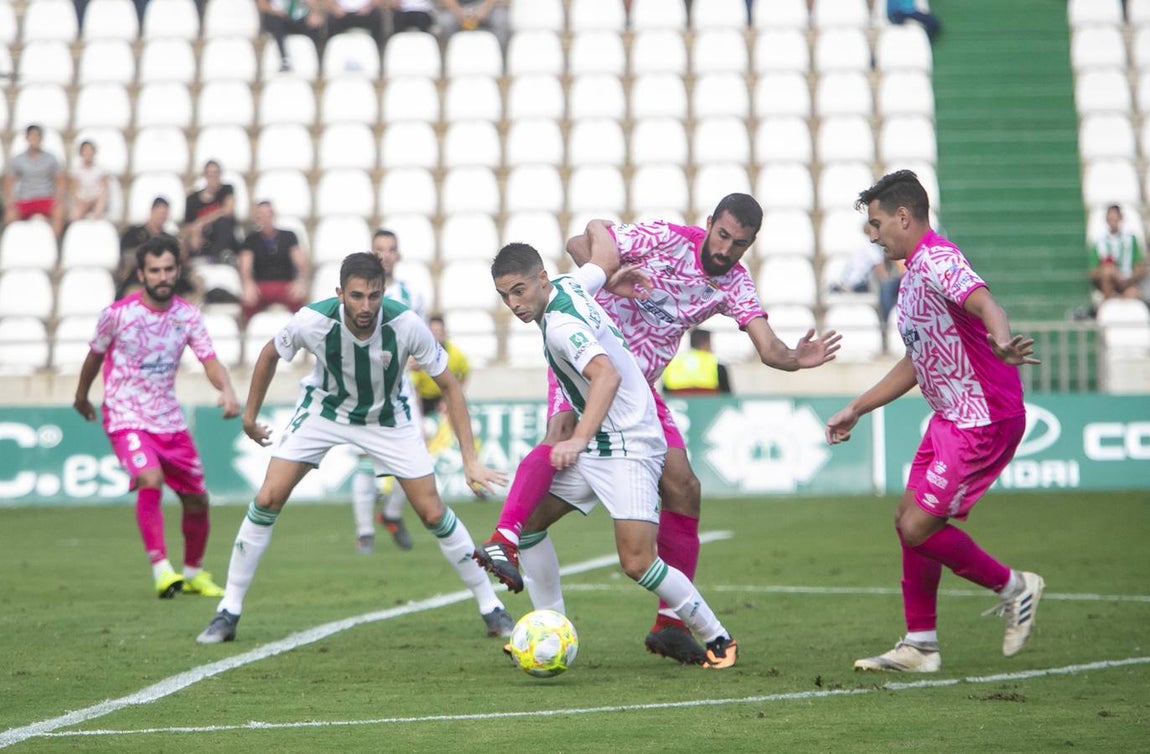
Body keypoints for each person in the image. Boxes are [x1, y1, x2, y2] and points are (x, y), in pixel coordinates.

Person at [475, 193, 842, 665]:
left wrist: (796, 358)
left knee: (678, 495)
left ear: (750, 246)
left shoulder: (732, 284)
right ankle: (528, 581)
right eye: (723, 235)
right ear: (709, 224)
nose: (728, 249)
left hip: (629, 398)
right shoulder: (662, 240)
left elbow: (770, 348)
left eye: (740, 244)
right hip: (588, 375)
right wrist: (609, 275)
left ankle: (680, 626)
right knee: (556, 441)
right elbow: (586, 236)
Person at [196, 252, 513, 644]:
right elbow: (268, 355)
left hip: (387, 417)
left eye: (374, 296)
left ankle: (491, 607)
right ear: (340, 293)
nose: (366, 306)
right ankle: (228, 610)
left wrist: (470, 461)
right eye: (357, 296)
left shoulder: (405, 324)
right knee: (268, 497)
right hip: (324, 411)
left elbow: (449, 384)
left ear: (383, 292)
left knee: (432, 512)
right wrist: (249, 415)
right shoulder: (313, 321)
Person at [824, 169, 1044, 673]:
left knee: (921, 525)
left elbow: (985, 300)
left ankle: (1016, 587)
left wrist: (1002, 339)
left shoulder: (939, 259)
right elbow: (914, 362)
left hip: (983, 417)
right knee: (907, 521)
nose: (873, 235)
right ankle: (921, 644)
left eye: (877, 223)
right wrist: (856, 407)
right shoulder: (911, 278)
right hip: (951, 417)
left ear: (905, 216)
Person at [490, 241, 738, 669]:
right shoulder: (569, 285)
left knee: (638, 561)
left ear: (541, 280)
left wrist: (579, 438)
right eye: (504, 296)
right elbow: (599, 267)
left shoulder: (561, 326)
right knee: (528, 527)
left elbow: (604, 375)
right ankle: (551, 624)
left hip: (628, 442)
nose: (514, 303)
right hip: (603, 441)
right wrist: (616, 275)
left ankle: (717, 636)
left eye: (519, 290)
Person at [73, 235, 241, 599]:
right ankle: (162, 569)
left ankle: (194, 573)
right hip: (125, 413)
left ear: (177, 271)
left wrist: (225, 390)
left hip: (169, 419)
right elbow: (93, 357)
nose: (162, 276)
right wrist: (82, 396)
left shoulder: (187, 316)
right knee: (149, 478)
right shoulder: (117, 315)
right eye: (155, 270)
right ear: (142, 273)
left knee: (197, 499)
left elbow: (209, 359)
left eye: (168, 269)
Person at [349, 228, 425, 554]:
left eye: (391, 249)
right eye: (379, 249)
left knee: (417, 457)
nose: (385, 255)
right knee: (365, 459)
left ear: (398, 254)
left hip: (400, 387)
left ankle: (392, 515)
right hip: (363, 386)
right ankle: (365, 531)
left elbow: (419, 338)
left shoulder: (411, 294)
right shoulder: (356, 293)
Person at [237, 200, 311, 326]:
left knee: (299, 302)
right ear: (257, 218)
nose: (265, 218)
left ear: (273, 215)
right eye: (261, 215)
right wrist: (247, 284)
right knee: (248, 302)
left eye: (268, 214)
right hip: (261, 286)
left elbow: (301, 262)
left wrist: (300, 281)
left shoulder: (289, 236)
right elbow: (245, 265)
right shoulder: (251, 239)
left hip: (285, 284)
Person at [3, 124, 65, 239]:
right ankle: (13, 244)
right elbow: (9, 182)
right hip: (25, 199)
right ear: (26, 139)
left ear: (41, 139)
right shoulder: (18, 159)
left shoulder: (51, 158)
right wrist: (9, 201)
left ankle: (53, 243)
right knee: (10, 216)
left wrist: (58, 199)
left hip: (45, 198)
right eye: (31, 136)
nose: (34, 139)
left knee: (59, 212)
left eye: (37, 136)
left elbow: (60, 181)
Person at [410, 314, 471, 416]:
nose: (436, 335)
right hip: (425, 399)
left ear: (444, 332)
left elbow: (464, 373)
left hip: (446, 396)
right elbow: (415, 389)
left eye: (439, 331)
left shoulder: (456, 353)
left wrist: (452, 395)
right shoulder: (419, 356)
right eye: (433, 332)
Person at [183, 160, 238, 266]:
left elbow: (227, 210)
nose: (213, 177)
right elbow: (188, 225)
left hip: (222, 240)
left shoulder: (226, 190)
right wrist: (194, 232)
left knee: (223, 223)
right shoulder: (192, 199)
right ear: (205, 175)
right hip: (202, 242)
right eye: (210, 174)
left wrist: (200, 223)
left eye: (216, 173)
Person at [1089, 205, 1147, 304]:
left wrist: (1128, 278)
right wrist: (1112, 273)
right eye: (1110, 218)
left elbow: (1140, 268)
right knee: (1107, 271)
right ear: (1106, 220)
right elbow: (1093, 272)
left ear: (1121, 218)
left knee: (1133, 294)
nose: (1113, 221)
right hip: (1106, 284)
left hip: (1127, 282)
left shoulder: (1131, 240)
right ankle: (1107, 303)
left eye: (1115, 218)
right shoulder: (1099, 242)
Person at [258, 0, 326, 72]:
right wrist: (276, 11)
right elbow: (262, 5)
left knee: (315, 26)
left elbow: (312, 4)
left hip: (295, 19)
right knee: (276, 23)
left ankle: (318, 61)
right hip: (276, 18)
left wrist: (314, 13)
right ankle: (284, 59)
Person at [662, 329, 731, 395]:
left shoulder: (673, 362)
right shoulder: (715, 362)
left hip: (679, 403)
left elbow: (665, 392)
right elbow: (726, 395)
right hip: (708, 403)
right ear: (706, 343)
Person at [438, 0, 509, 51]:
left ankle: (499, 54)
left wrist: (484, 10)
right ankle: (452, 53)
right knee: (446, 21)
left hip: (485, 6)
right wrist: (459, 13)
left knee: (500, 19)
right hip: (459, 7)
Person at [68, 140, 109, 222]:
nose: (88, 153)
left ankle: (97, 214)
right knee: (74, 216)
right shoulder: (76, 171)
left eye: (90, 150)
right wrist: (81, 202)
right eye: (85, 150)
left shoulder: (101, 170)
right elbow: (73, 190)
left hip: (96, 198)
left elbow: (105, 189)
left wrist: (93, 200)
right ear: (81, 153)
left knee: (101, 197)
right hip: (82, 199)